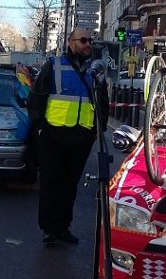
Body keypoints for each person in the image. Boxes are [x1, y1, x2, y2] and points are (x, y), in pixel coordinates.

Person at [27, 29, 108, 247]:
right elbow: (36, 98)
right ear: (71, 43)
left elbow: (102, 101)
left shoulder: (94, 70)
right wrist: (40, 128)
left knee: (69, 184)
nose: (87, 44)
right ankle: (49, 229)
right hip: (53, 134)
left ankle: (63, 227)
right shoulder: (54, 65)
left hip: (81, 136)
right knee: (50, 182)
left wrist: (97, 131)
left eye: (90, 40)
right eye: (83, 40)